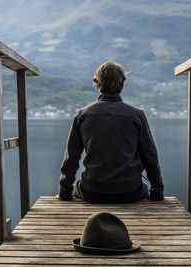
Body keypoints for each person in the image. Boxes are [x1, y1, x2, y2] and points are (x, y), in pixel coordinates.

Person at [56, 61, 164, 203]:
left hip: (92, 191)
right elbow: (150, 157)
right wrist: (157, 193)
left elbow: (71, 158)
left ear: (97, 83)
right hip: (130, 192)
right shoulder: (137, 115)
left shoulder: (82, 115)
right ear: (122, 83)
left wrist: (64, 193)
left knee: (76, 189)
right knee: (141, 188)